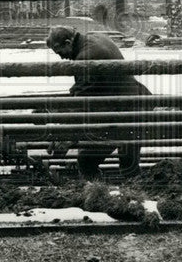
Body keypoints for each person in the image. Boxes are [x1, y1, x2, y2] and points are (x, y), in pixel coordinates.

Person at [46, 25, 150, 179]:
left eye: (60, 52)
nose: (61, 58)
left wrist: (66, 135)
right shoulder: (94, 37)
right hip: (134, 105)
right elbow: (87, 88)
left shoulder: (86, 58)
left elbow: (82, 103)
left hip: (122, 114)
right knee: (129, 163)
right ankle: (132, 194)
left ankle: (98, 194)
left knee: (86, 160)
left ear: (68, 43)